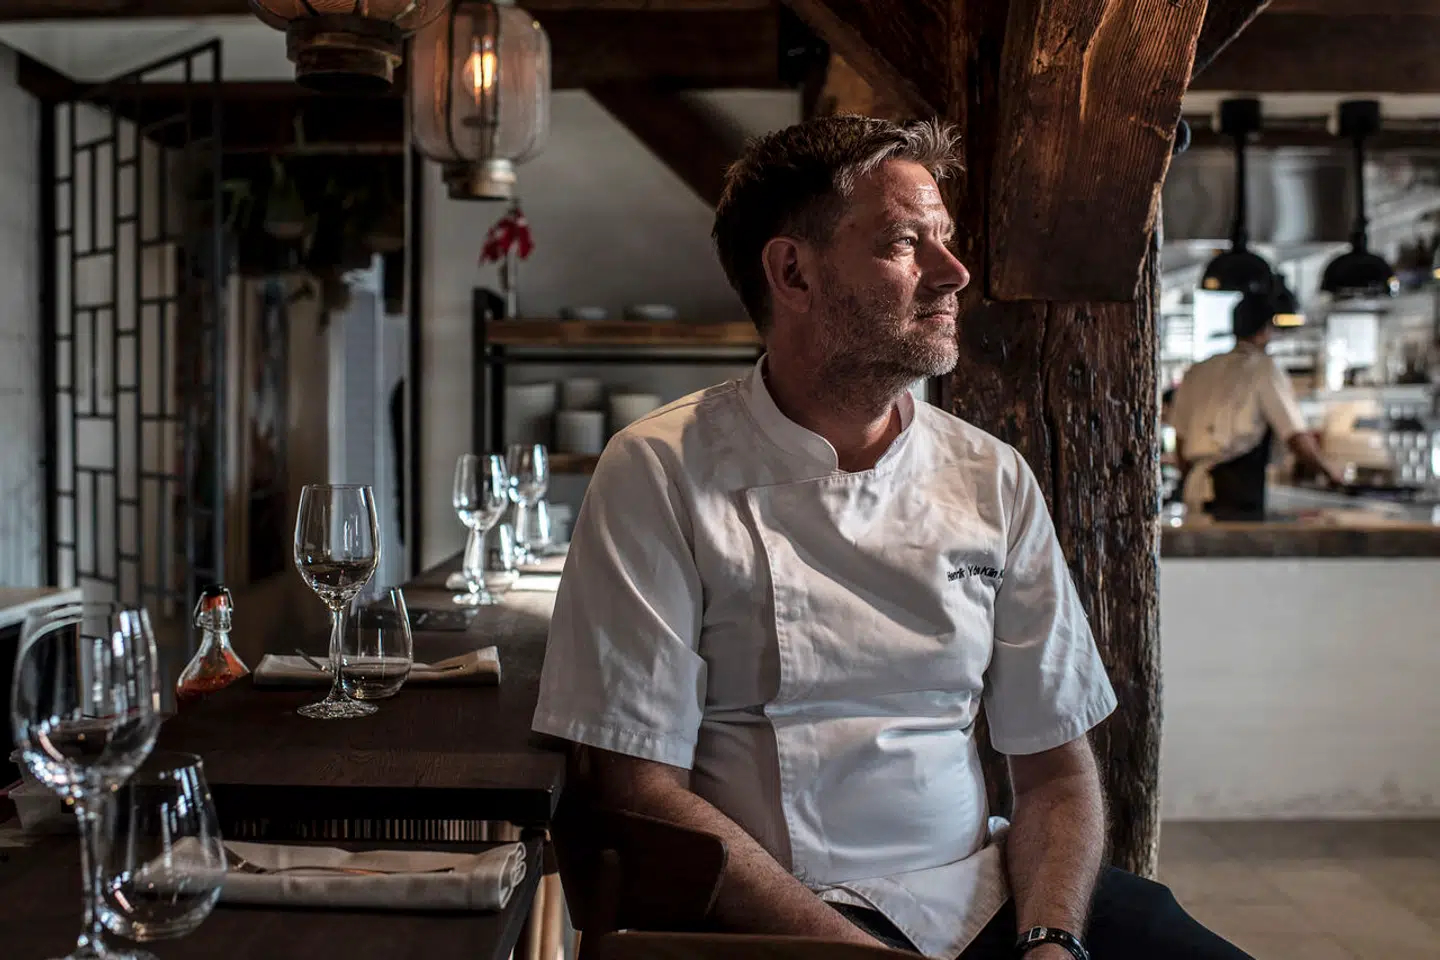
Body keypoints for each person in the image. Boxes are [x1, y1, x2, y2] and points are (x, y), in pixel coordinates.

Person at [533, 116, 1248, 960]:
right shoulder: (658, 470)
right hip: (774, 920)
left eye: (944, 239)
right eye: (907, 243)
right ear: (793, 272)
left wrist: (1052, 941)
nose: (954, 273)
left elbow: (1056, 773)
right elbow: (640, 788)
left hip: (982, 893)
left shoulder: (990, 475)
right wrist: (854, 956)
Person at [1171, 292, 1341, 522]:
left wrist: (1188, 478)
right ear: (1266, 330)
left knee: (1200, 544)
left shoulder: (1198, 371)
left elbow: (1180, 442)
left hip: (1195, 489)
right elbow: (1295, 436)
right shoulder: (1264, 369)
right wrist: (1331, 473)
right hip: (1236, 493)